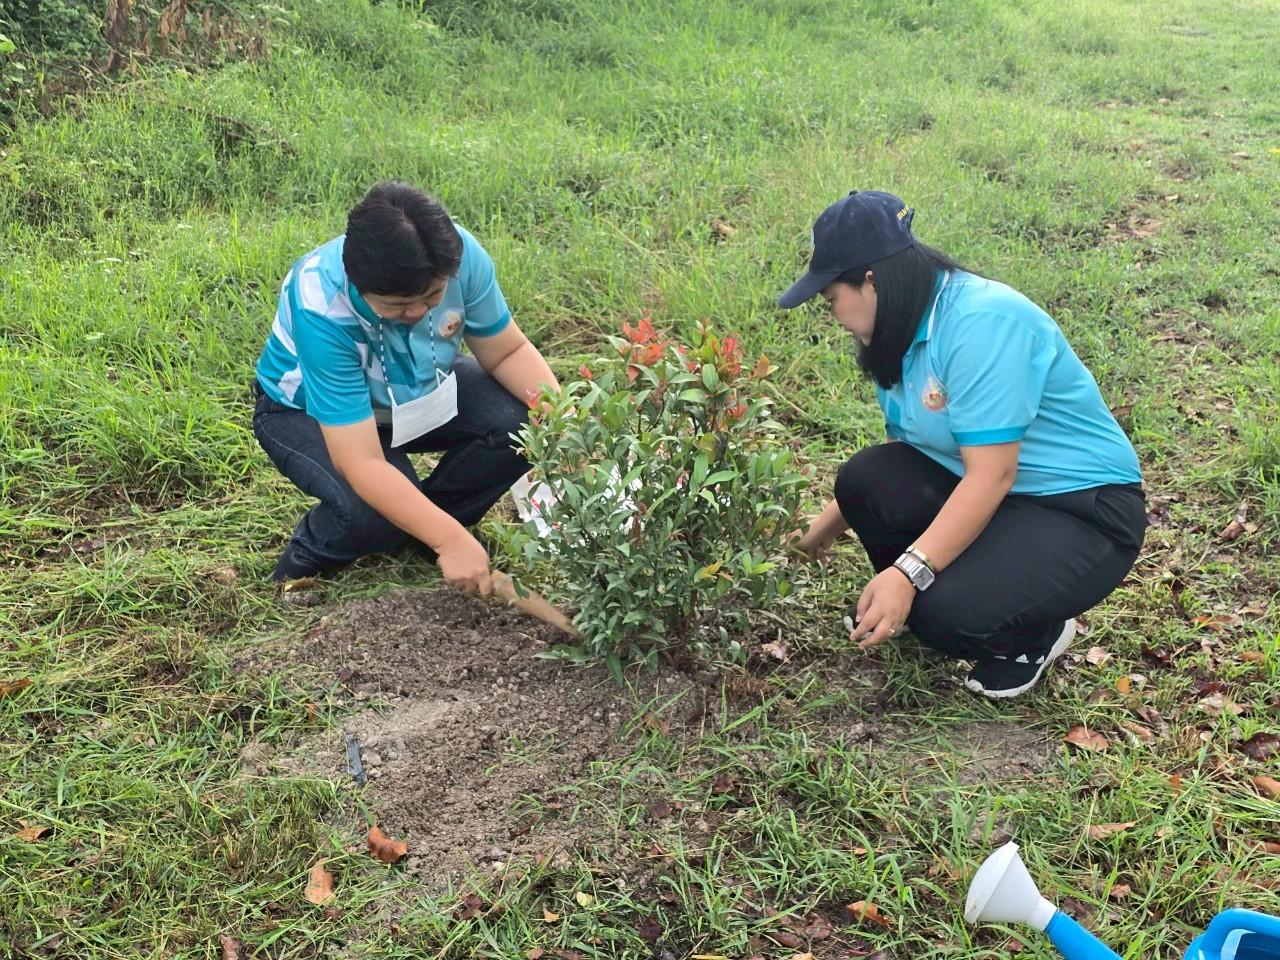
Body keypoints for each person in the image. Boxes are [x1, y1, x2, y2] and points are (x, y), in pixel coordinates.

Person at [784, 190, 1146, 698]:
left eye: (831, 300)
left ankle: (1034, 633)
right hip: (996, 492)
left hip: (1080, 509)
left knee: (943, 614)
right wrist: (815, 533)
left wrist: (906, 575)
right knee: (866, 479)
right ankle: (923, 593)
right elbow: (907, 451)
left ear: (871, 281)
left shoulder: (982, 325)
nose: (833, 315)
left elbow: (992, 474)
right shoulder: (898, 332)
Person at [252, 181, 558, 594]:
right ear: (358, 283)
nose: (416, 313)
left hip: (416, 389)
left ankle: (423, 535)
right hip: (305, 411)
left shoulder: (458, 258)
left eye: (432, 298)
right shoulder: (321, 306)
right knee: (369, 514)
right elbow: (360, 461)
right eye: (396, 306)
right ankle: (307, 558)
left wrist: (564, 425)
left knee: (523, 422)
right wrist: (450, 539)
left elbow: (507, 352)